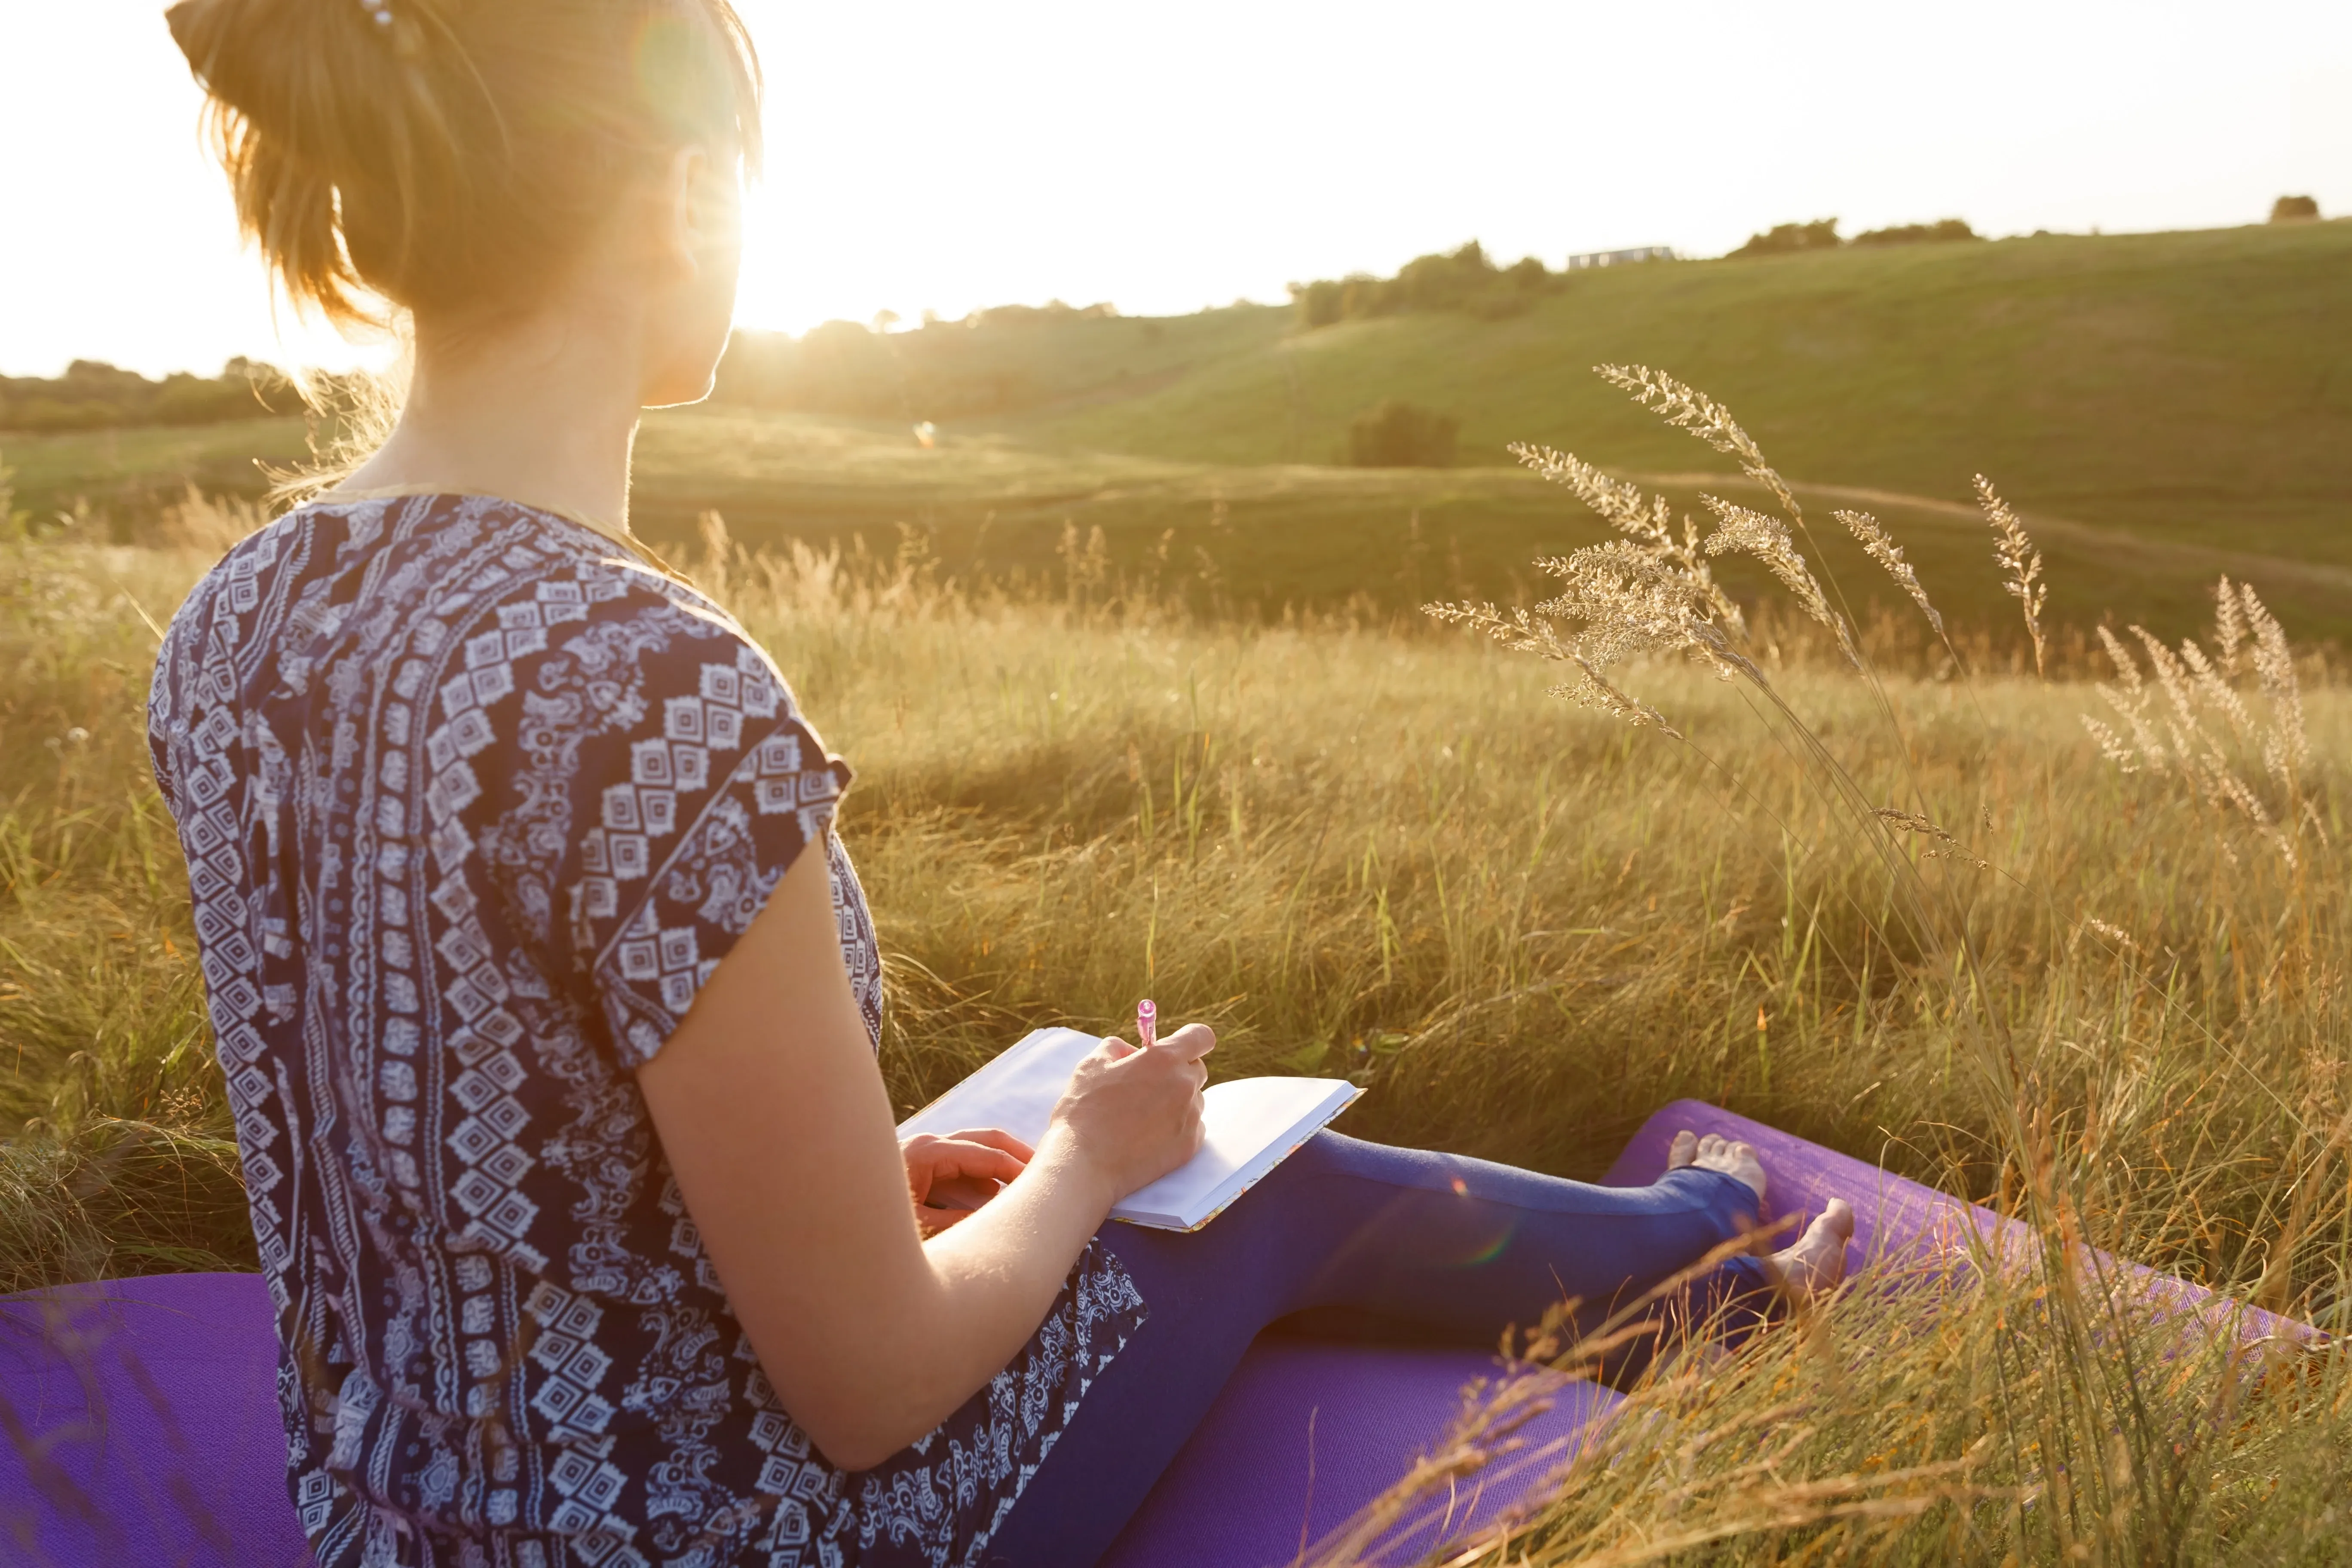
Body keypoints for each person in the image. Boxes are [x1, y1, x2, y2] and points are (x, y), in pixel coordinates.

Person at [149, 3, 1855, 1565]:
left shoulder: (229, 631)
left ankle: (1687, 1245)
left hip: (380, 1528)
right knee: (1256, 1193)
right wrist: (1081, 1171)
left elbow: (451, 1140)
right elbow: (875, 1388)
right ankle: (1721, 1270)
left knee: (1143, 1169)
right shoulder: (648, 687)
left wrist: (848, 1186)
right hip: (718, 1541)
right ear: (679, 203)